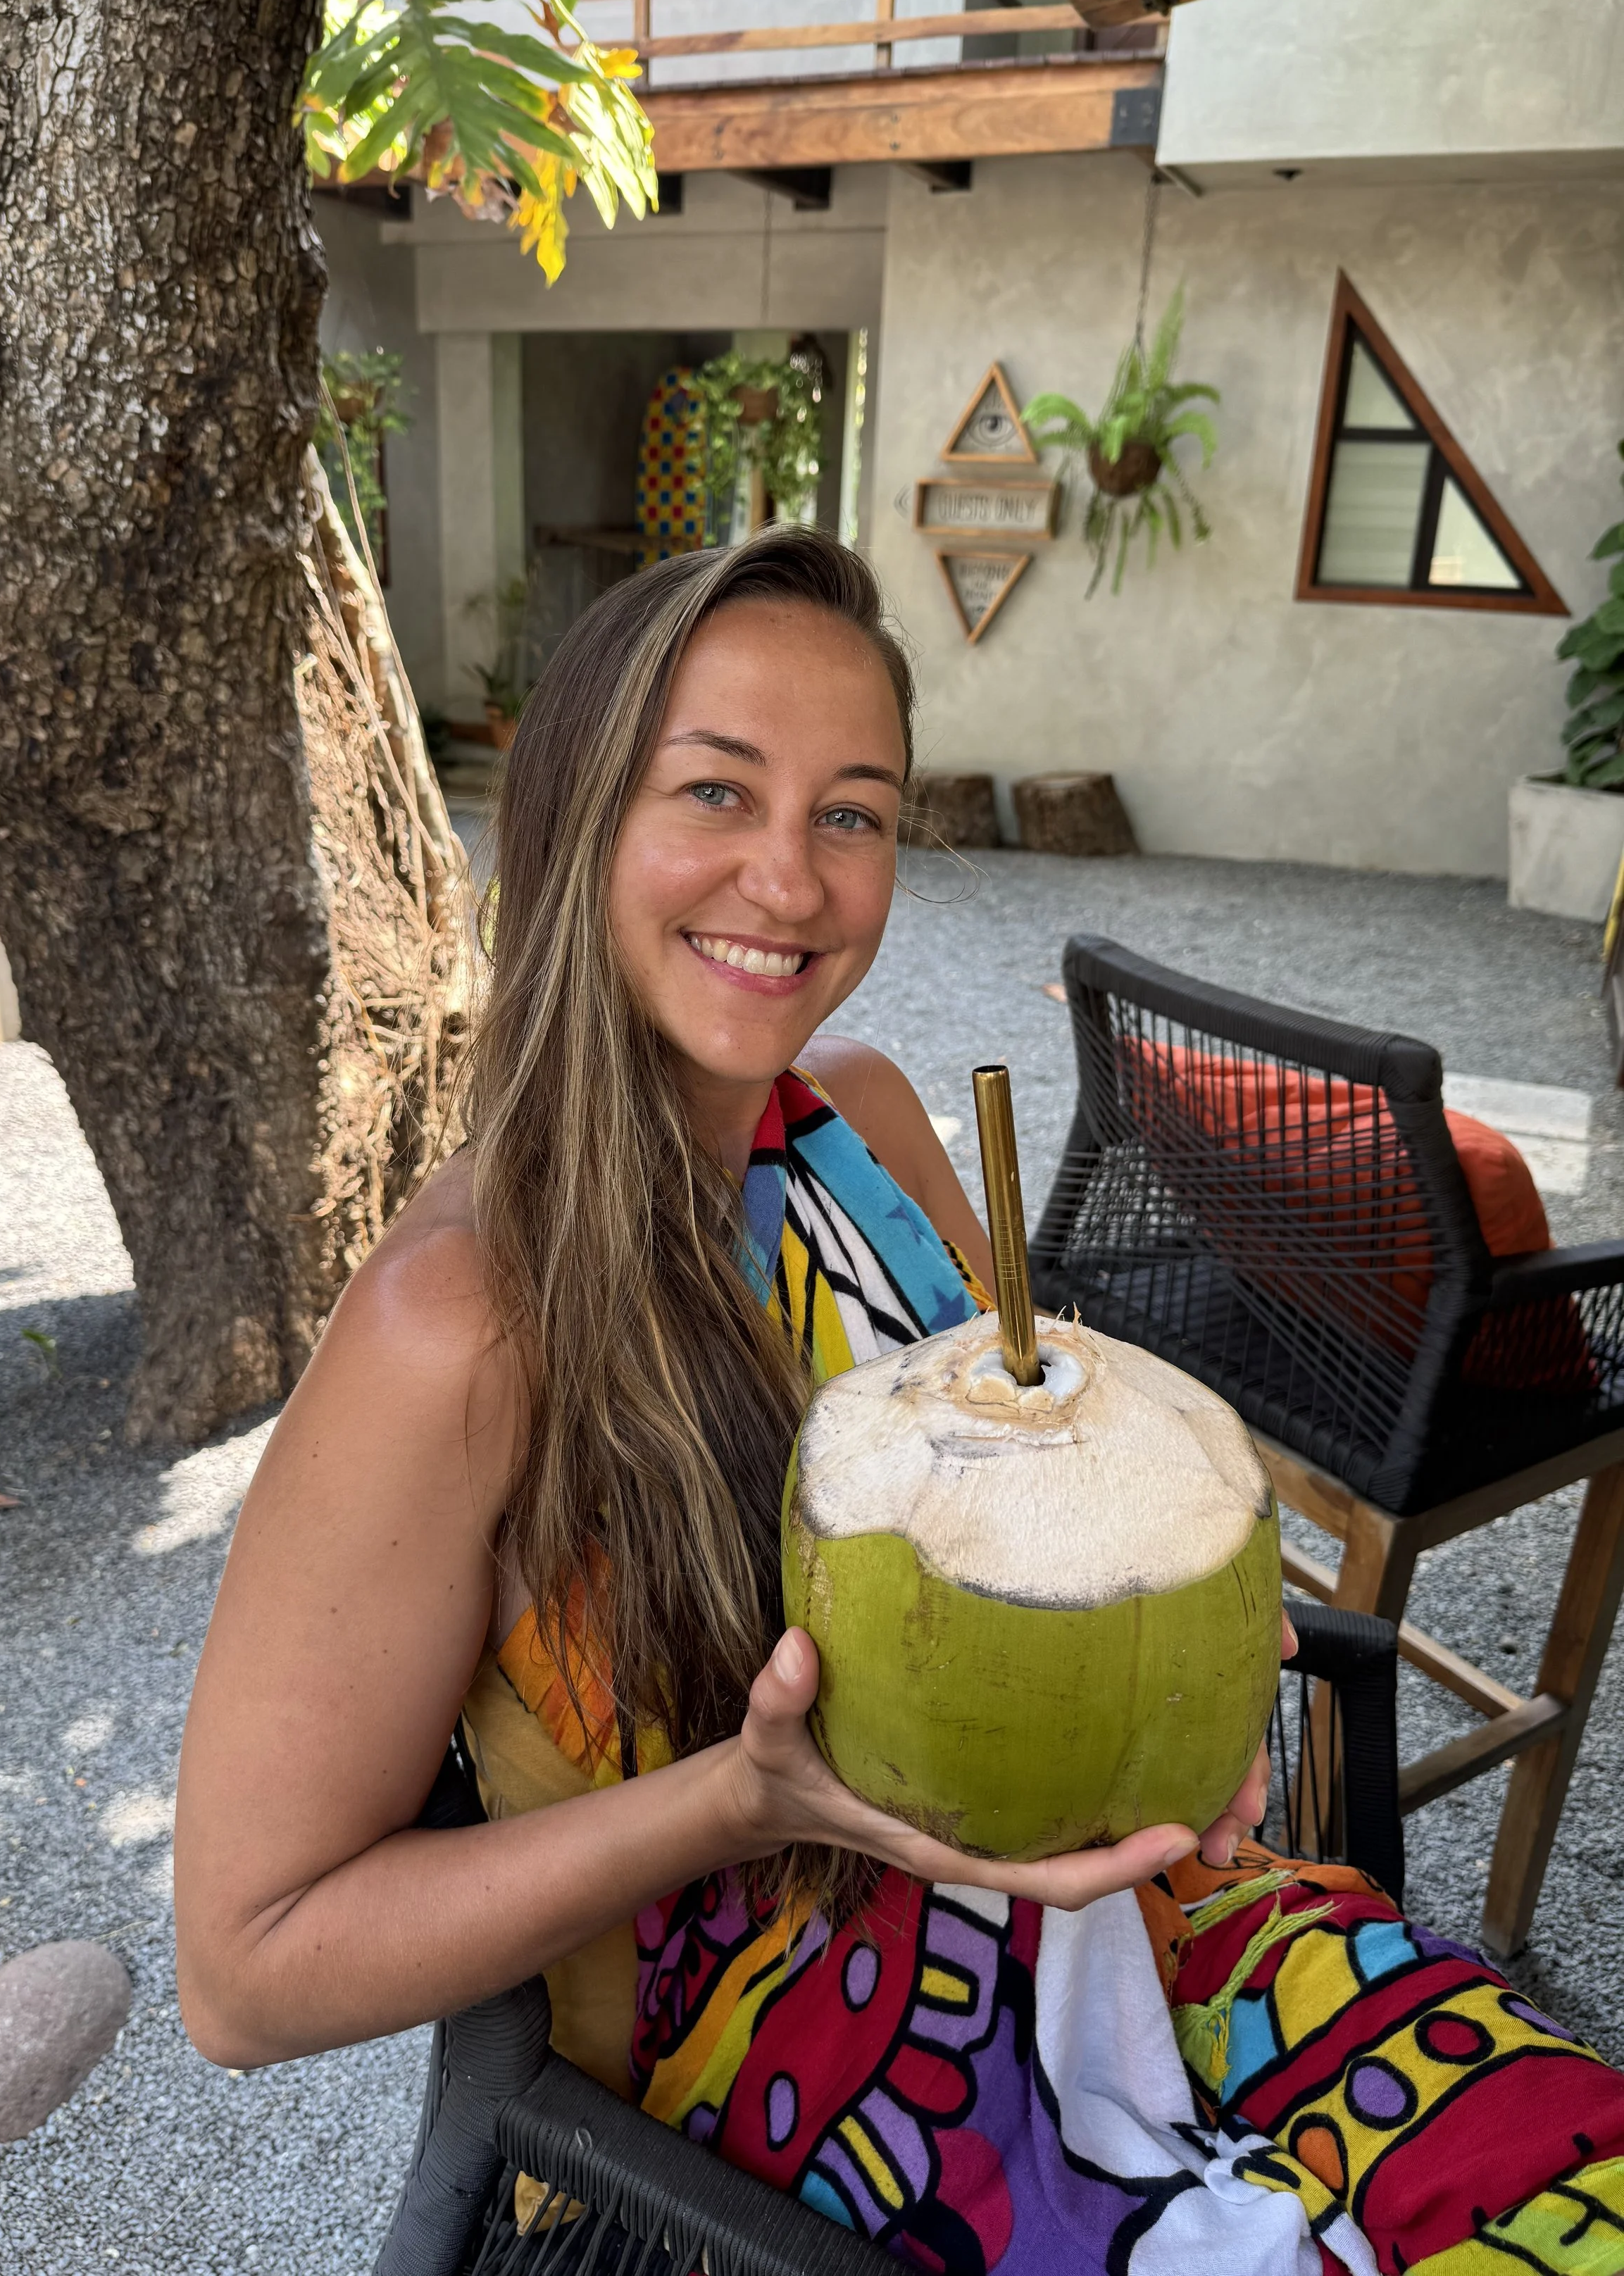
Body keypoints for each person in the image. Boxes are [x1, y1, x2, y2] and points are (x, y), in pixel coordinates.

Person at [175, 532, 1624, 2275]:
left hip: (1133, 1910)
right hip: (805, 2080)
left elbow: (1041, 1495)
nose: (787, 881)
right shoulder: (464, 1326)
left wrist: (1179, 1683)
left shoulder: (856, 1120)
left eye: (850, 812)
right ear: (569, 824)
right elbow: (243, 1970)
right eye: (715, 791)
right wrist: (748, 1800)